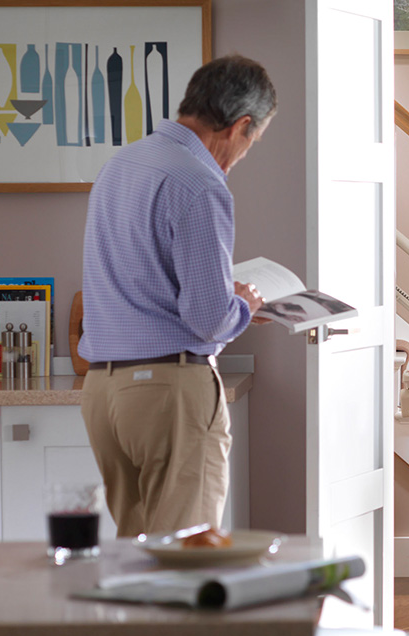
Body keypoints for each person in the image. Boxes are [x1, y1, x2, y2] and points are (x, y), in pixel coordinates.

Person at [79, 55, 277, 538]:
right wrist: (244, 305)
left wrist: (220, 298)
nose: (244, 155)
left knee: (138, 557)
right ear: (241, 126)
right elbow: (208, 320)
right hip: (168, 392)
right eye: (253, 142)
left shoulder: (119, 164)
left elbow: (139, 277)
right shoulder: (199, 181)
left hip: (103, 396)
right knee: (189, 555)